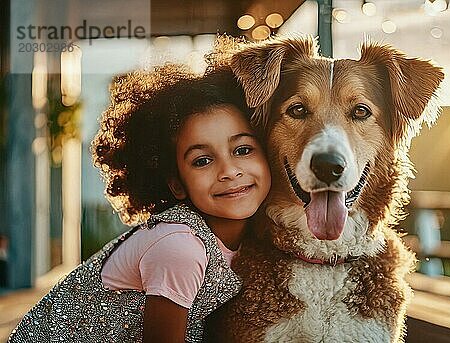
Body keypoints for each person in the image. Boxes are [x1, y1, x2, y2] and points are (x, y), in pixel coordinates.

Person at [8, 64, 271, 342]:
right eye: (202, 161)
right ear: (177, 185)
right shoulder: (181, 247)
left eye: (243, 150)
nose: (229, 170)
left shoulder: (256, 238)